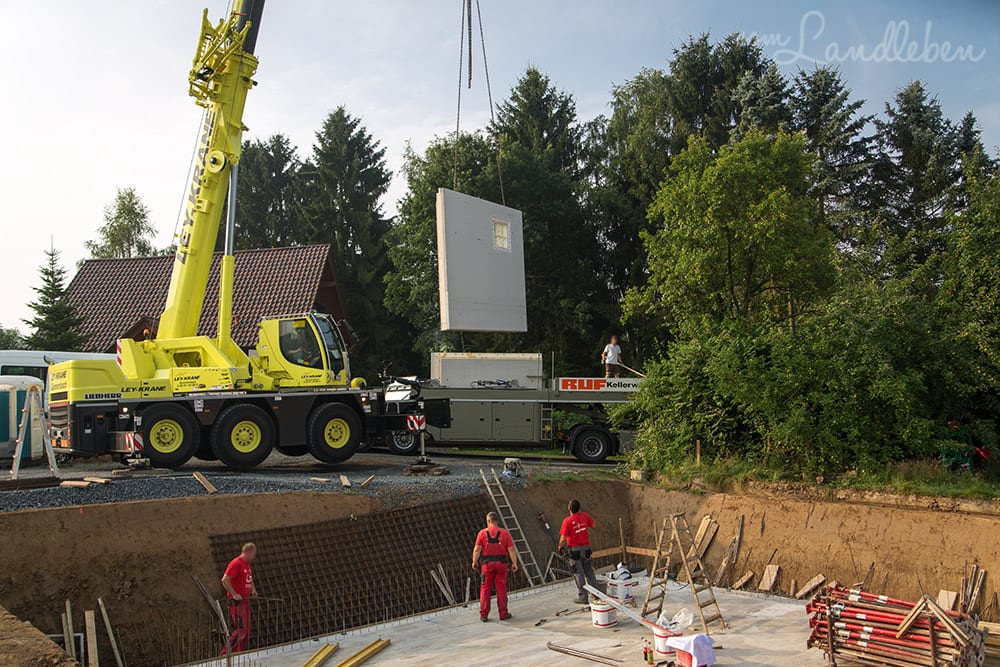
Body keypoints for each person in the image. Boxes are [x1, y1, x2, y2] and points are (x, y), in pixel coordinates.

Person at [472, 511, 518, 622]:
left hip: (487, 565)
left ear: (488, 521)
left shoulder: (482, 533)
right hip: (502, 565)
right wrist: (514, 563)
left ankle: (484, 615)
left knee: (485, 589)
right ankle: (503, 614)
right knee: (501, 588)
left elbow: (477, 549)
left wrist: (474, 562)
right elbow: (511, 549)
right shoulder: (505, 533)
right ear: (497, 521)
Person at [559, 499, 599, 604]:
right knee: (589, 572)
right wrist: (582, 528)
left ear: (569, 508)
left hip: (574, 550)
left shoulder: (567, 521)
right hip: (586, 549)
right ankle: (597, 594)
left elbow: (563, 538)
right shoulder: (585, 516)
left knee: (579, 574)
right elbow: (594, 525)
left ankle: (583, 597)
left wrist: (560, 547)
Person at [221, 542, 258, 654]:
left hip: (245, 601)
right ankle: (225, 653)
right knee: (241, 629)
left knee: (247, 629)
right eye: (253, 554)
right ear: (248, 552)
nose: (254, 557)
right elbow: (225, 580)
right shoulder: (236, 563)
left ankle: (238, 651)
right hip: (236, 602)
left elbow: (248, 578)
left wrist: (253, 589)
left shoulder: (247, 564)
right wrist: (234, 594)